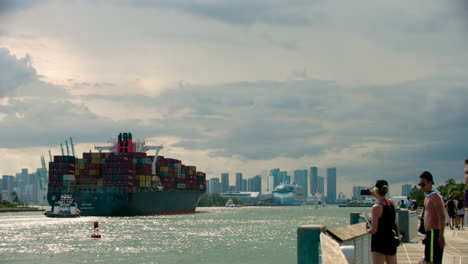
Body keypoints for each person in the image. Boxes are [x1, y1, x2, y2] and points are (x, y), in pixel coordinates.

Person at [366, 179, 397, 264]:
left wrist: (367, 229)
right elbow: (382, 199)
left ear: (376, 189)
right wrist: (372, 193)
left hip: (379, 242)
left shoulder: (376, 208)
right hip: (391, 240)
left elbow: (374, 230)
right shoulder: (391, 203)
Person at [418, 171, 445, 264]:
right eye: (420, 184)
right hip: (430, 234)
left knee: (431, 261)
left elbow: (442, 216)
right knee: (429, 260)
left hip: (434, 233)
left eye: (423, 184)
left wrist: (441, 235)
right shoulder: (428, 197)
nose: (421, 187)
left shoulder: (434, 196)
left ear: (430, 183)